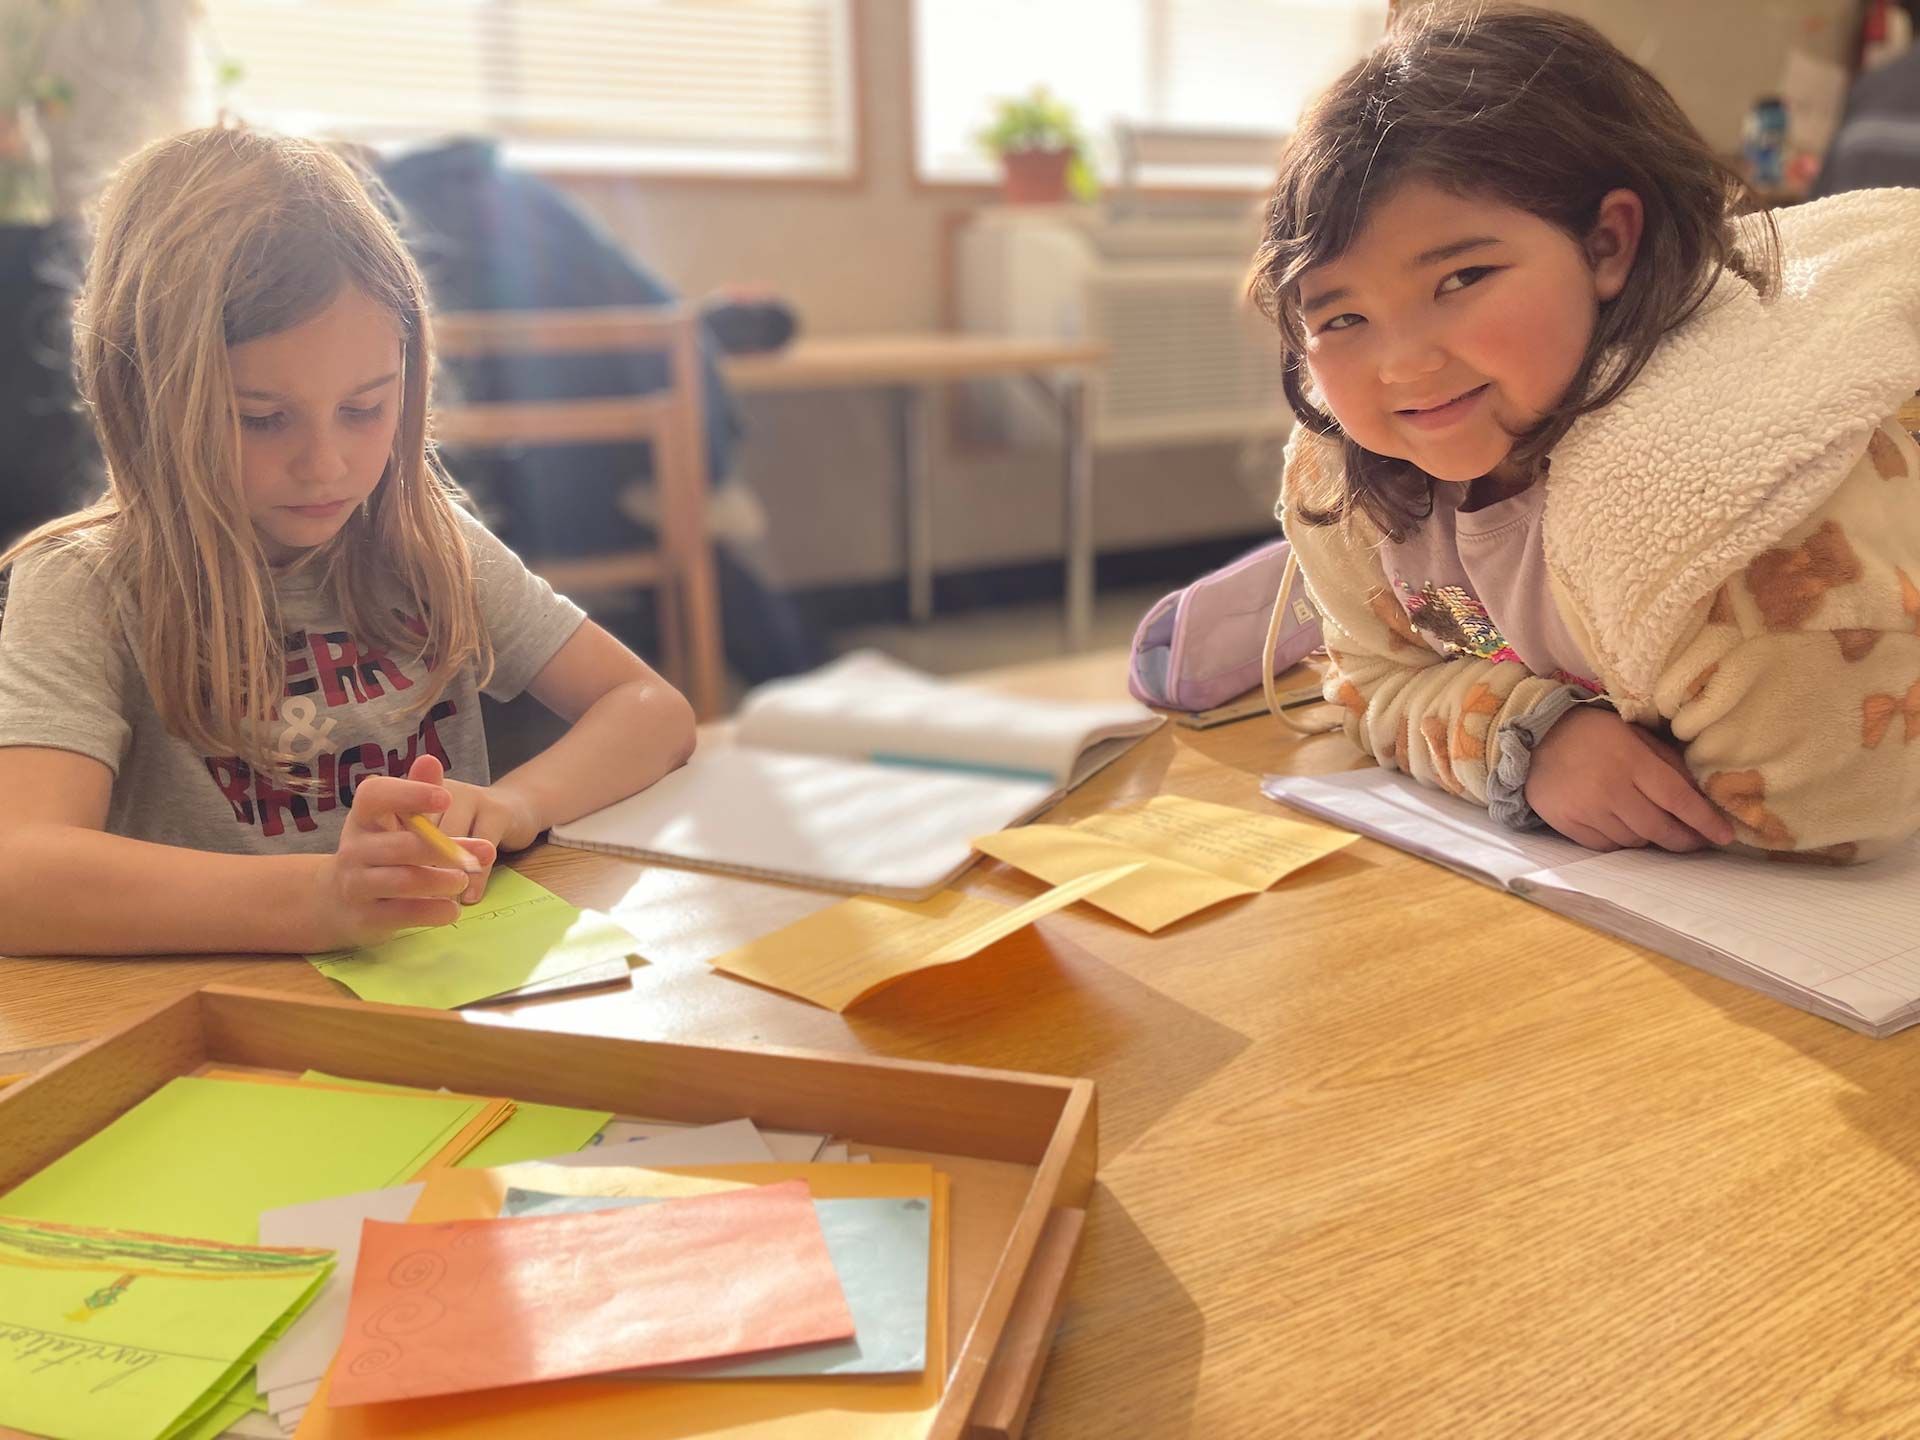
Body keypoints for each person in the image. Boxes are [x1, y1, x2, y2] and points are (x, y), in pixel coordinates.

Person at [0, 127, 696, 956]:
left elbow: (653, 710)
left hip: (440, 995)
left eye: (365, 408)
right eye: (261, 419)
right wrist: (323, 898)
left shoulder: (425, 544)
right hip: (211, 1018)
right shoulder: (83, 587)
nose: (324, 464)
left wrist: (516, 804)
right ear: (147, 395)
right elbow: (21, 877)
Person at [1250, 4, 1920, 860]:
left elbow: (1830, 802)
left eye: (1461, 277)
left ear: (1607, 244)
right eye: (1341, 318)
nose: (1403, 366)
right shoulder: (1352, 490)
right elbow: (1365, 678)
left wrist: (1469, 704)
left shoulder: (1734, 510)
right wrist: (1528, 741)